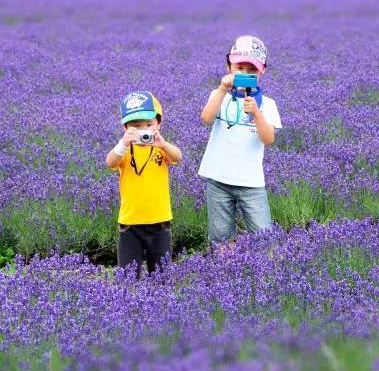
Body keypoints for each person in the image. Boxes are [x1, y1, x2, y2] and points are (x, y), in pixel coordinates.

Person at [198, 36, 282, 244]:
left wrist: (257, 113)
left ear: (262, 71)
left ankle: (265, 275)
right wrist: (221, 90)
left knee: (264, 237)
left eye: (251, 70)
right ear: (229, 66)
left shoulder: (267, 104)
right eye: (239, 68)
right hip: (218, 179)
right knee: (221, 238)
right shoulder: (220, 95)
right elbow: (206, 118)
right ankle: (226, 273)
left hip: (250, 182)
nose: (244, 74)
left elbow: (268, 138)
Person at [106, 91, 183, 276]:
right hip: (130, 225)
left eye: (149, 124)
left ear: (159, 123)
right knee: (128, 276)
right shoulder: (125, 150)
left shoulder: (160, 148)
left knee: (162, 276)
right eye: (136, 126)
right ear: (125, 128)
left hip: (160, 222)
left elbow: (178, 157)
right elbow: (110, 162)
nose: (144, 130)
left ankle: (162, 304)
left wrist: (163, 144)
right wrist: (123, 144)